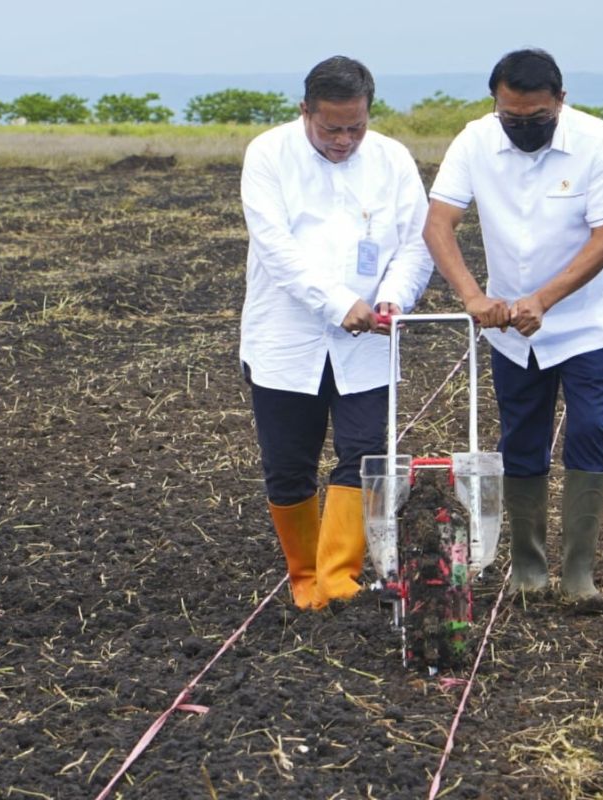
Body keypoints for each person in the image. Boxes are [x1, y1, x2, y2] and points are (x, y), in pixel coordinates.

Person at [423, 48, 603, 604]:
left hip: (586, 322)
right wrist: (472, 295)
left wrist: (543, 298)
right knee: (521, 437)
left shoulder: (596, 141)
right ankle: (529, 568)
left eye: (536, 118)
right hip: (511, 331)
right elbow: (439, 223)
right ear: (495, 105)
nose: (522, 128)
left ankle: (580, 574)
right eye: (510, 118)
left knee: (589, 428)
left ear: (560, 102)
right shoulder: (474, 140)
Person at [240, 56, 433, 610]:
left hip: (368, 340)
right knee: (289, 465)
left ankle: (339, 579)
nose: (345, 139)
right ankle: (304, 580)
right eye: (331, 128)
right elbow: (275, 248)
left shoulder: (392, 159)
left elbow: (416, 243)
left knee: (367, 452)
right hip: (286, 338)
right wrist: (337, 302)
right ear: (305, 111)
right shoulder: (268, 154)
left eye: (356, 127)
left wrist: (394, 296)